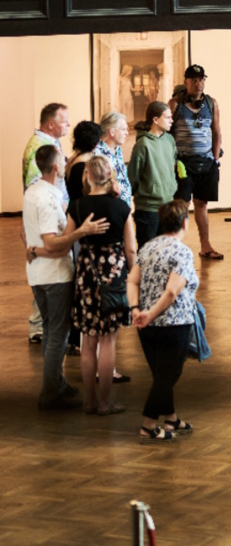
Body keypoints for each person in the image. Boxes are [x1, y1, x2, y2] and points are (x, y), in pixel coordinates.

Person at [23, 145, 108, 410]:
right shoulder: (47, 199)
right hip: (55, 275)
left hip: (38, 274)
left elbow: (30, 237)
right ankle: (50, 393)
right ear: (57, 167)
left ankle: (56, 384)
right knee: (58, 334)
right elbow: (53, 244)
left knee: (51, 331)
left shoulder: (33, 191)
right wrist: (81, 231)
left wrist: (33, 249)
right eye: (64, 162)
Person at [67, 156, 136, 415]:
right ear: (110, 176)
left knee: (88, 340)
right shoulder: (121, 207)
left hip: (87, 273)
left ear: (87, 175)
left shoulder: (77, 206)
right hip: (114, 273)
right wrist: (133, 278)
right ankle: (106, 403)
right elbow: (130, 249)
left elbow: (66, 240)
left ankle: (90, 401)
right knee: (108, 340)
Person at [128, 200, 200, 443]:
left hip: (146, 327)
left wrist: (138, 309)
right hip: (174, 324)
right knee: (167, 375)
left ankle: (171, 418)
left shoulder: (147, 247)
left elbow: (132, 281)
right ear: (184, 223)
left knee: (161, 374)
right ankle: (148, 425)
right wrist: (152, 313)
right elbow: (171, 292)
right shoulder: (182, 252)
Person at [22, 102, 71, 344]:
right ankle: (39, 328)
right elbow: (37, 187)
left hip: (52, 214)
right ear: (51, 124)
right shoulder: (40, 147)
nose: (68, 125)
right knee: (44, 268)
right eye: (64, 121)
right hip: (46, 218)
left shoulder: (48, 143)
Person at [169, 63, 223, 260]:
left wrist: (215, 160)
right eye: (194, 80)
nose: (198, 84)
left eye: (201, 80)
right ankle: (175, 246)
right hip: (183, 163)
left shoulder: (211, 104)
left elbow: (216, 132)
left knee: (202, 204)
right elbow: (168, 136)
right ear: (186, 82)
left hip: (207, 163)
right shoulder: (175, 104)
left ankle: (205, 246)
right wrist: (172, 161)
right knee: (181, 204)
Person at [64, 120, 102, 358]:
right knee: (84, 286)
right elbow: (91, 195)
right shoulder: (85, 166)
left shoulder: (72, 160)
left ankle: (74, 338)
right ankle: (77, 339)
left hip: (74, 221)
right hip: (83, 226)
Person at [128, 101, 178, 249]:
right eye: (168, 117)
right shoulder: (143, 144)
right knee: (147, 252)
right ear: (155, 120)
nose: (171, 120)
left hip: (168, 207)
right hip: (148, 210)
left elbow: (172, 167)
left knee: (165, 253)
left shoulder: (170, 140)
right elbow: (133, 176)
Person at [93, 110, 133, 207]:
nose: (127, 133)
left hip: (123, 208)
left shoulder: (117, 149)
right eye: (123, 129)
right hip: (108, 208)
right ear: (112, 131)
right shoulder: (97, 152)